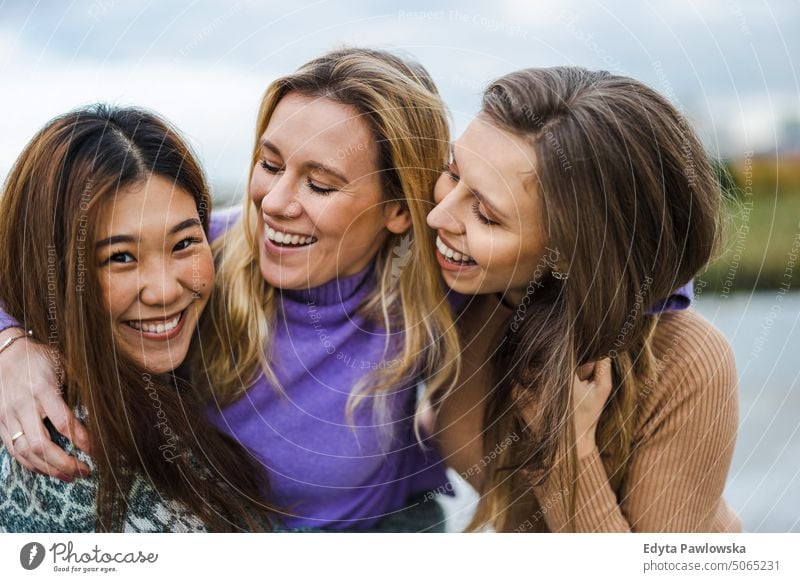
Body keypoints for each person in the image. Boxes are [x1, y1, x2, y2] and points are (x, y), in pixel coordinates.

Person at [0, 48, 461, 531]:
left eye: (320, 185)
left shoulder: (432, 291)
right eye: (270, 163)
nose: (275, 203)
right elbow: (32, 262)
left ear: (400, 209)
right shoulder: (196, 252)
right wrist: (12, 346)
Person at [427, 67, 741, 532]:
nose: (438, 215)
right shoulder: (454, 287)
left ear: (570, 251)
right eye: (452, 174)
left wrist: (567, 450)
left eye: (487, 216)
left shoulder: (687, 362)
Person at [0, 105, 277, 532]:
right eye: (121, 257)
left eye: (184, 243)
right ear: (49, 271)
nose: (164, 290)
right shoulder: (70, 444)